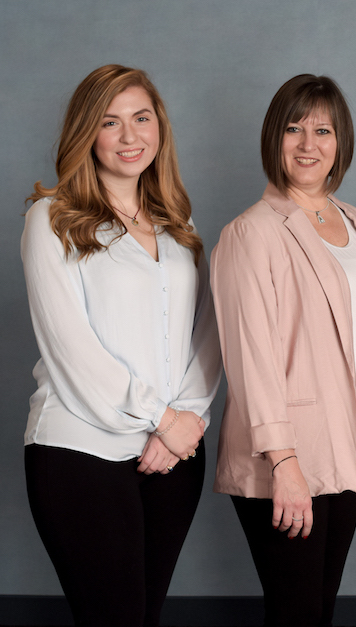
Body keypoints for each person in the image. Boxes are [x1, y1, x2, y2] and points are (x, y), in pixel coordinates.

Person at [21, 64, 221, 627]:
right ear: (88, 133)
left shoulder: (178, 222)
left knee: (143, 615)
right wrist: (159, 416)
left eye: (141, 118)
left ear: (160, 127)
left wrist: (185, 423)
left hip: (173, 455)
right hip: (80, 451)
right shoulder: (51, 218)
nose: (130, 137)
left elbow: (206, 333)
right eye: (111, 123)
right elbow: (70, 348)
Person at [210, 74, 356, 627]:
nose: (308, 143)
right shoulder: (252, 233)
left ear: (340, 141)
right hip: (288, 457)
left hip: (348, 450)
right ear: (275, 137)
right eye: (294, 128)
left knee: (317, 611)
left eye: (322, 129)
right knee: (296, 613)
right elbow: (251, 362)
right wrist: (285, 467)